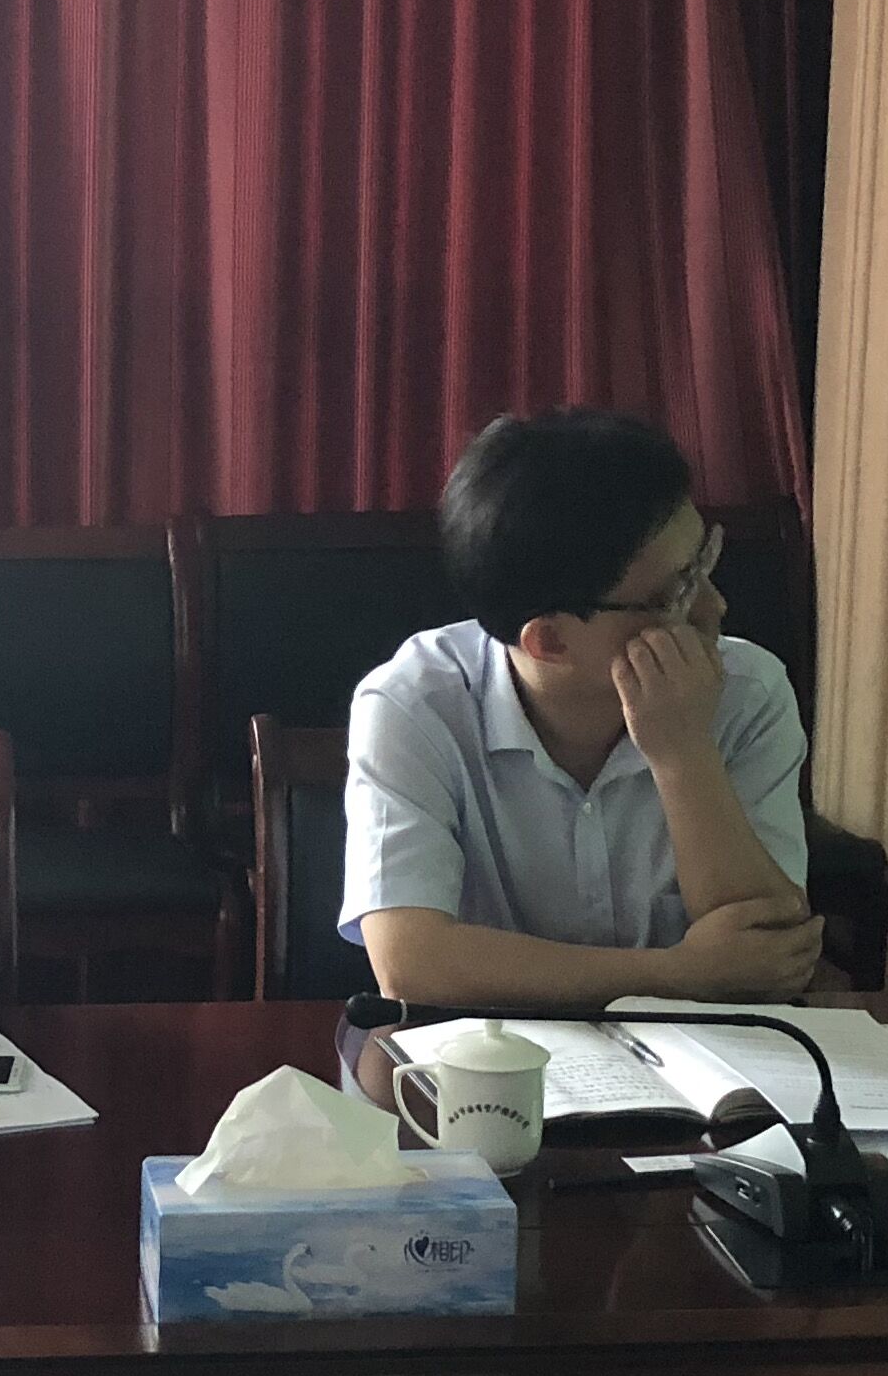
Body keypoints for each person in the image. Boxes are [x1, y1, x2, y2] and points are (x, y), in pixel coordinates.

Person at [343, 409, 825, 1012]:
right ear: (549, 641)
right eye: (678, 591)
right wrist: (680, 973)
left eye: (704, 563)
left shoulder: (747, 690)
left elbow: (766, 955)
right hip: (488, 1061)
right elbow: (409, 964)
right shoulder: (414, 703)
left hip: (703, 1059)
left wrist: (684, 755)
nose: (715, 607)